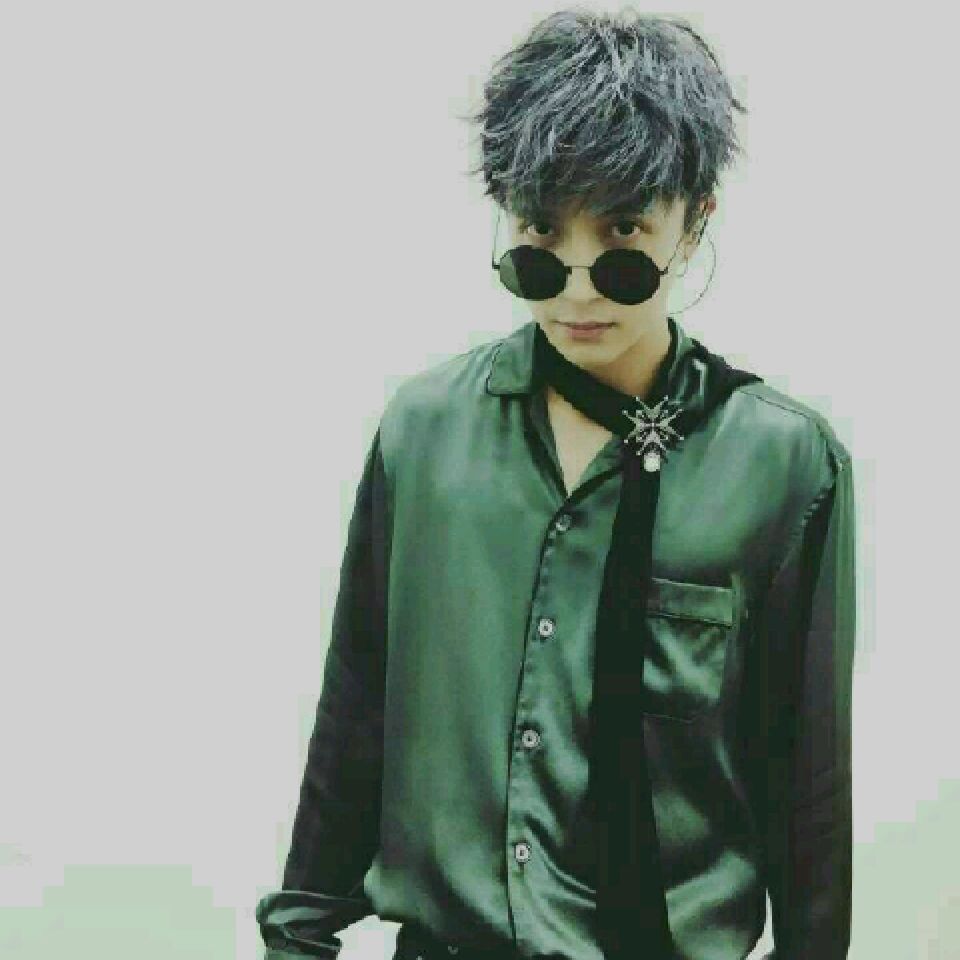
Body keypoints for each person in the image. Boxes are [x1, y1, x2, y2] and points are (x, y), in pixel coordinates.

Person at [256, 10, 856, 960]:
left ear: (695, 222)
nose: (577, 290)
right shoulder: (424, 435)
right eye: (540, 237)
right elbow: (356, 715)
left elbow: (805, 786)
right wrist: (298, 938)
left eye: (622, 237)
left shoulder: (785, 465)